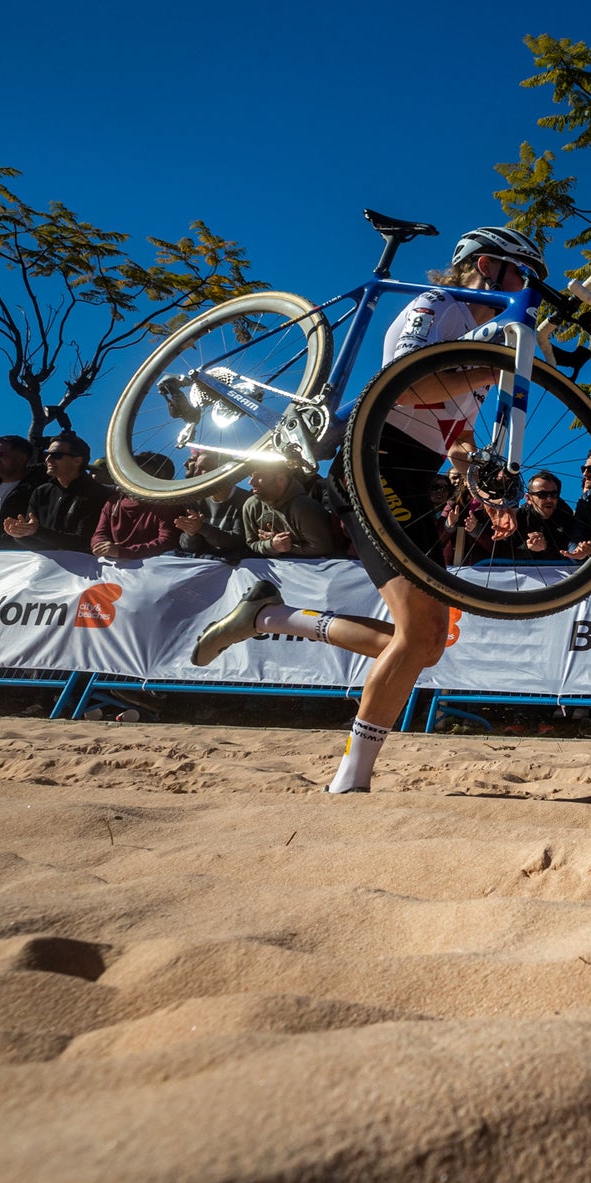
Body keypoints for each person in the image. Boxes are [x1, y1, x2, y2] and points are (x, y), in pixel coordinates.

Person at [192, 224, 541, 793]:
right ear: (487, 266)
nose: (523, 287)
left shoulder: (477, 341)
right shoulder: (439, 305)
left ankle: (267, 617)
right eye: (520, 274)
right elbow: (401, 387)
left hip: (410, 474)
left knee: (423, 642)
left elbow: (450, 433)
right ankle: (349, 782)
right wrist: (501, 367)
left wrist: (477, 475)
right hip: (372, 461)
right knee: (416, 639)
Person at [0, 432, 115, 554]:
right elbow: (35, 542)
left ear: (77, 460)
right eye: (46, 454)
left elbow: (84, 542)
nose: (48, 459)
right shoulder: (42, 492)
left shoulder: (98, 494)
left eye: (56, 455)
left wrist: (36, 532)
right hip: (46, 566)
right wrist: (19, 534)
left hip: (82, 568)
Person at [240, 463, 346, 559]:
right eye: (251, 476)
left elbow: (323, 547)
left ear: (281, 480)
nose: (251, 482)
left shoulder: (303, 507)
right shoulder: (251, 506)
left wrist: (282, 546)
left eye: (259, 476)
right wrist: (271, 545)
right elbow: (251, 542)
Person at [91, 452, 182, 561]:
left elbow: (167, 542)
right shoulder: (113, 501)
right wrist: (101, 546)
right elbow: (100, 534)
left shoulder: (167, 504)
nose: (132, 470)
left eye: (141, 467)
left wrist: (123, 552)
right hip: (118, 564)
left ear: (159, 475)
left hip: (152, 565)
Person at [175, 449, 249, 559]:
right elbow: (187, 547)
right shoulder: (194, 501)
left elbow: (238, 542)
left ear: (223, 470)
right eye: (196, 468)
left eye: (203, 468)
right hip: (203, 562)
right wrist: (190, 533)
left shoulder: (245, 500)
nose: (196, 473)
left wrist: (202, 528)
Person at [515, 470, 576, 562]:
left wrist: (545, 546)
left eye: (554, 494)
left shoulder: (567, 518)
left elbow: (568, 552)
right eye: (542, 494)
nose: (549, 499)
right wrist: (527, 547)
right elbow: (501, 553)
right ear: (528, 498)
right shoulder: (517, 517)